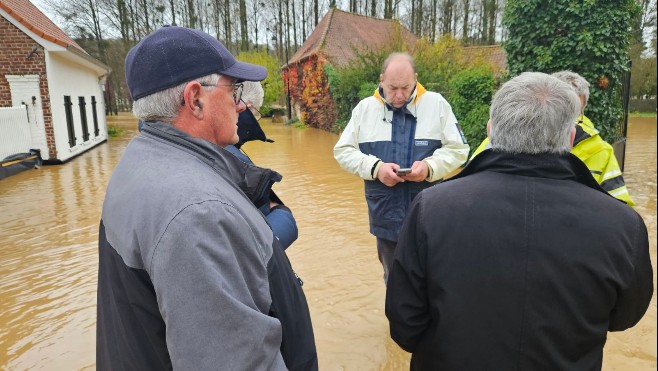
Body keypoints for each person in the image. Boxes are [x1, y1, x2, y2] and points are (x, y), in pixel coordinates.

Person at [385, 72, 653, 371]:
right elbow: (624, 318)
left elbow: (405, 324)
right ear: (570, 138)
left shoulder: (430, 209)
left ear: (491, 130)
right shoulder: (624, 224)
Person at [96, 26, 317, 371]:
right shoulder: (197, 214)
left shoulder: (139, 163)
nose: (242, 104)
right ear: (196, 98)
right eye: (234, 90)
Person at [333, 52, 469, 282]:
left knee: (435, 280)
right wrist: (376, 168)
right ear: (381, 79)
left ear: (415, 78)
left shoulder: (437, 105)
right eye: (392, 88)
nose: (399, 95)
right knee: (395, 282)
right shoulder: (364, 110)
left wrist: (429, 167)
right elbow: (342, 151)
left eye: (405, 87)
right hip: (385, 218)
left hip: (431, 217)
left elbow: (459, 150)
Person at [472, 70, 635, 206]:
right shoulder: (495, 141)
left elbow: (619, 204)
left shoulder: (600, 151)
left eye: (572, 111)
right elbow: (470, 187)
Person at [225, 81, 298, 249]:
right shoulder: (232, 159)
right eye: (256, 114)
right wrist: (283, 214)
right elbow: (262, 245)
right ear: (247, 106)